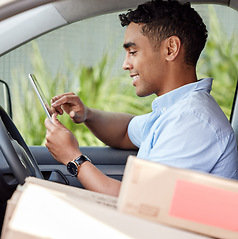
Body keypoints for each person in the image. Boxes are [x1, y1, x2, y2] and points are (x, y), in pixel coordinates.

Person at [44, 0, 238, 197]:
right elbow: (125, 132)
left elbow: (141, 202)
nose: (125, 64)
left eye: (133, 52)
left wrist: (73, 158)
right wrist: (87, 114)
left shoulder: (193, 120)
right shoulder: (175, 110)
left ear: (170, 49)